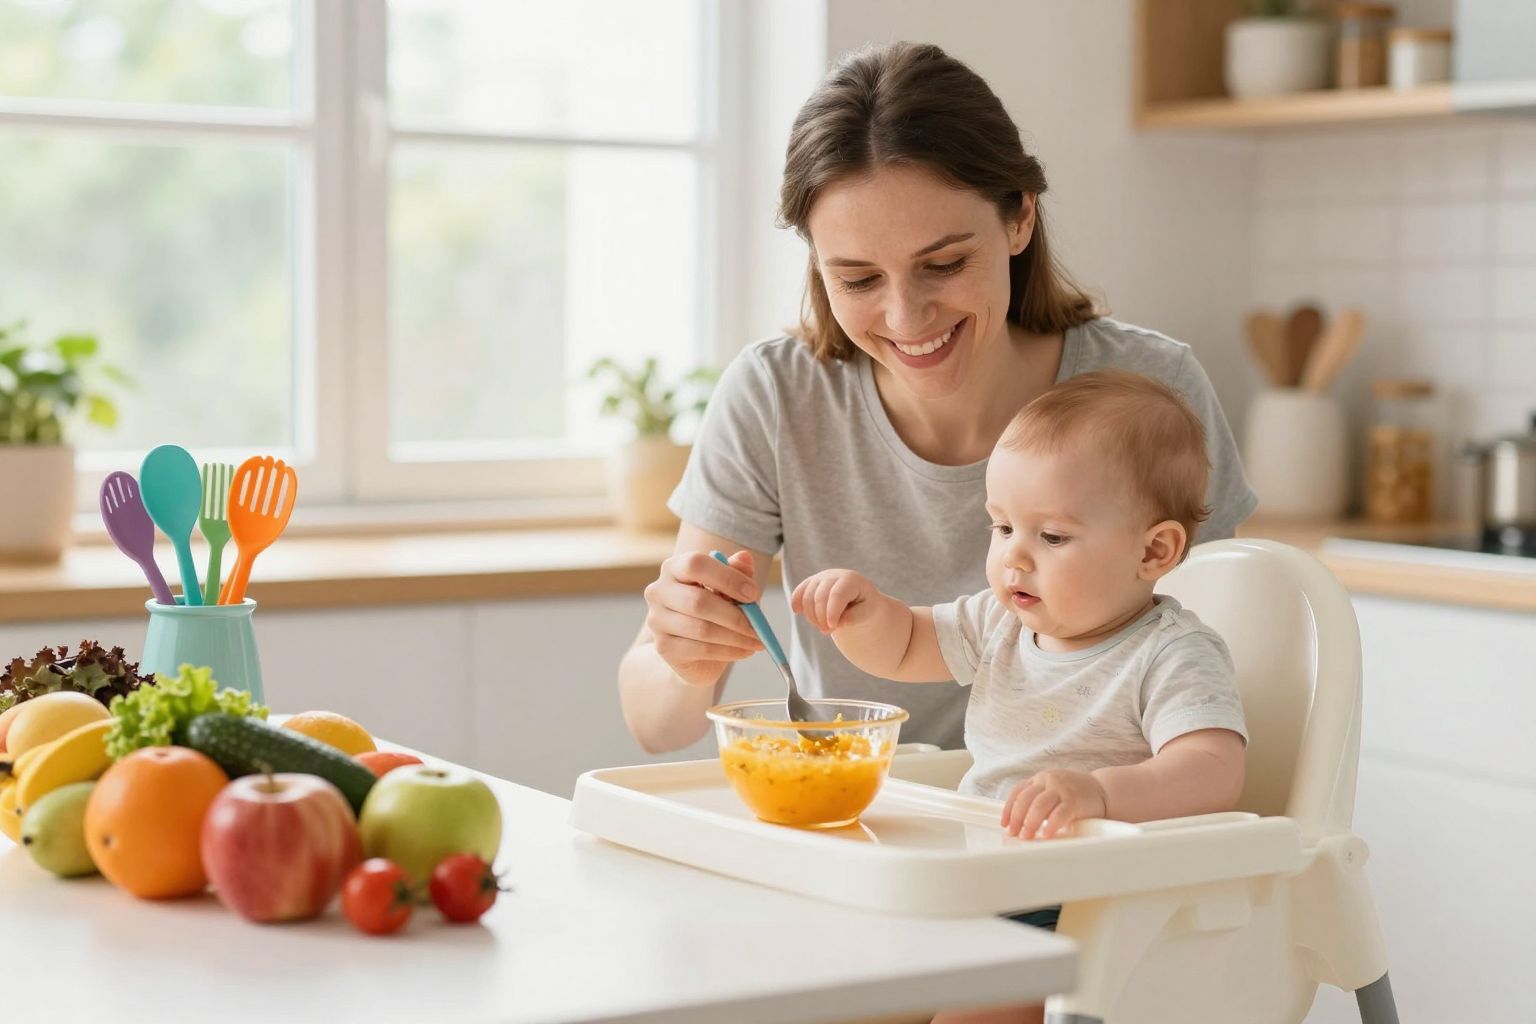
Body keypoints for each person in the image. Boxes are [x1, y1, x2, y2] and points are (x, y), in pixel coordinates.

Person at [618, 40, 1256, 758]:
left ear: (1019, 218)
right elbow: (655, 725)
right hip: (866, 824)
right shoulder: (778, 396)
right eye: (858, 279)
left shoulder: (1151, 391)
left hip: (1086, 829)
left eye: (944, 264)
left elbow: (1230, 671)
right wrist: (686, 659)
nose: (906, 317)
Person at [793, 370, 1248, 1024]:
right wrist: (864, 616)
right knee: (852, 994)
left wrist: (1098, 794)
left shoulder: (1172, 652)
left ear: (1154, 550)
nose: (1014, 559)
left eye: (1052, 537)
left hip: (1084, 905)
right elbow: (906, 646)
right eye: (1001, 528)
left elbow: (1213, 771)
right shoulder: (1002, 622)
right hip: (979, 877)